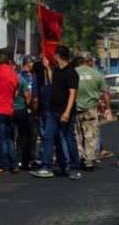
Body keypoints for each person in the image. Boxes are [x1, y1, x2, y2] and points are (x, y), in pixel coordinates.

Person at [33, 46, 81, 179]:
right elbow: (53, 81)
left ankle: (74, 167)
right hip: (52, 111)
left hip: (65, 111)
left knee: (68, 138)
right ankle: (46, 166)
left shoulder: (71, 72)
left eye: (55, 55)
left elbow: (72, 93)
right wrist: (48, 68)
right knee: (48, 136)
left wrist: (67, 112)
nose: (53, 56)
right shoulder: (57, 70)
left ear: (59, 56)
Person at [73, 54, 110, 170]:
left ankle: (80, 157)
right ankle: (88, 160)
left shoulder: (74, 72)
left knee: (78, 135)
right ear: (89, 61)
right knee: (90, 135)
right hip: (91, 109)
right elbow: (105, 92)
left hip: (76, 108)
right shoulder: (96, 74)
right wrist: (108, 108)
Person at [13, 57, 35, 170]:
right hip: (23, 109)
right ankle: (22, 159)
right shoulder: (22, 78)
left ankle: (22, 158)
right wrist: (29, 104)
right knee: (23, 136)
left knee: (23, 135)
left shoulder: (31, 76)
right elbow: (28, 96)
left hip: (16, 109)